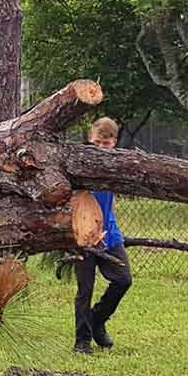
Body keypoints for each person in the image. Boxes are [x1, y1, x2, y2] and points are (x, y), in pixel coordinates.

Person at [74, 117, 132, 354]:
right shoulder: (79, 164)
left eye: (105, 144)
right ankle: (82, 340)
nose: (100, 148)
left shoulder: (116, 166)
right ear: (90, 140)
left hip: (109, 234)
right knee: (85, 289)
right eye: (97, 143)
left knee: (123, 279)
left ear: (114, 143)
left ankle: (97, 320)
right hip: (82, 235)